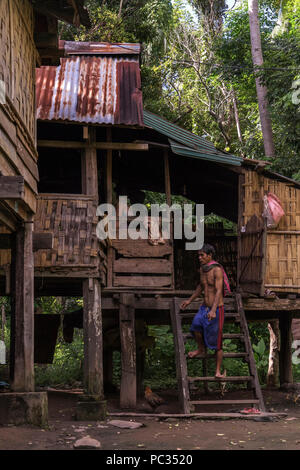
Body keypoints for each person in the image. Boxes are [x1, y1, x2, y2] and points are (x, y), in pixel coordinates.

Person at [181, 244, 229, 379]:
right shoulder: (202, 270)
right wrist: (189, 300)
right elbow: (201, 287)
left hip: (216, 309)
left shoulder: (217, 270)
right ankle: (201, 348)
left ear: (209, 256)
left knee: (217, 343)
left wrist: (213, 310)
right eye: (198, 255)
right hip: (204, 307)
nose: (199, 257)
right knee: (195, 326)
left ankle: (218, 371)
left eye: (202, 255)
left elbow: (219, 290)